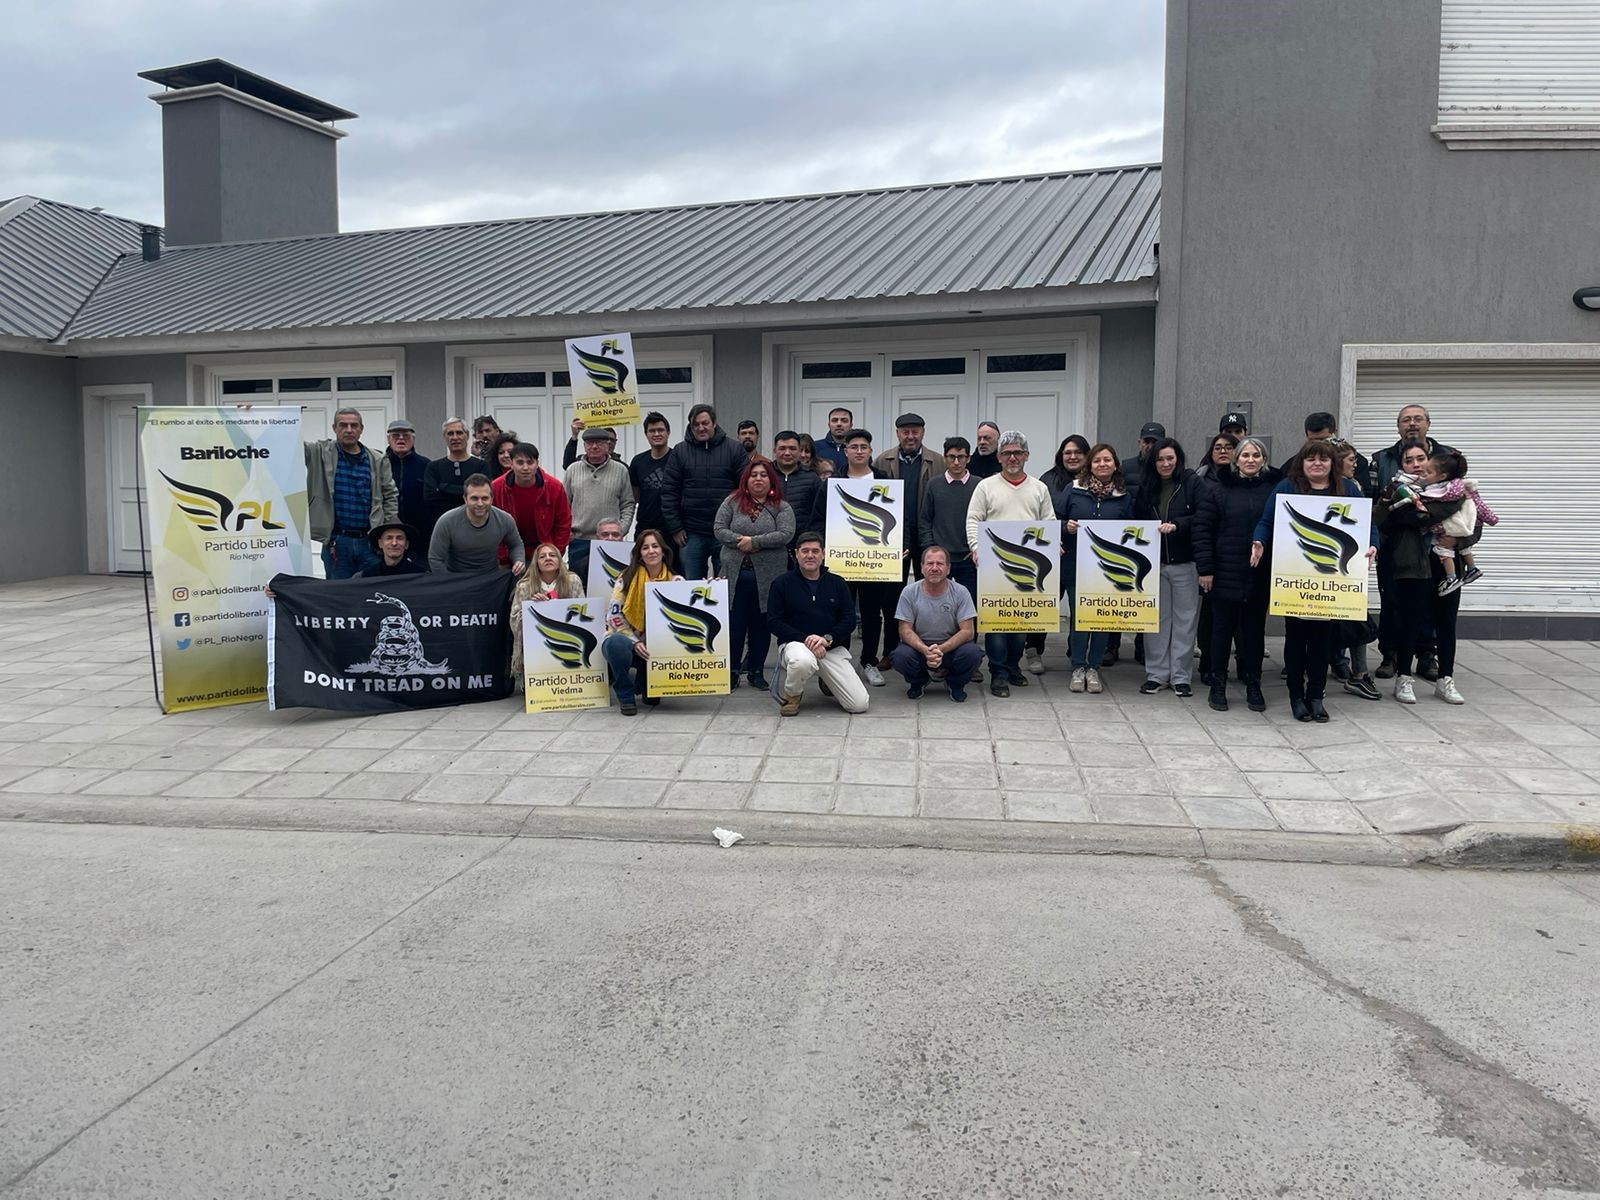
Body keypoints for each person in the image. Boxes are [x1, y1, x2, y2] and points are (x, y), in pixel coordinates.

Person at [1251, 440, 1376, 722]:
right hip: (1295, 579)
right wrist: (1259, 541)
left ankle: (1316, 696)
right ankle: (1296, 695)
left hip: (1331, 582)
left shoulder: (1348, 489)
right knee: (1295, 639)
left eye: (1323, 459)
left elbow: (1368, 526)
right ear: (1302, 462)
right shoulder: (1286, 488)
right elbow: (1267, 521)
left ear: (1332, 462)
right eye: (1310, 459)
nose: (1316, 464)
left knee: (1322, 641)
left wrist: (1372, 545)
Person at [1375, 444, 1471, 706]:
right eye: (1409, 460)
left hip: (1448, 565)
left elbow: (1472, 526)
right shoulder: (1397, 491)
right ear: (1402, 466)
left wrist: (1458, 541)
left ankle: (1446, 679)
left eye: (1421, 459)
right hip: (1413, 565)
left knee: (1446, 622)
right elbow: (1400, 520)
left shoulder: (1456, 490)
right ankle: (1403, 677)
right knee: (1411, 620)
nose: (1416, 464)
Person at [966, 430, 1057, 698]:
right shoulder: (986, 486)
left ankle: (1013, 665)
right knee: (996, 624)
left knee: (1022, 626)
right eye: (1007, 453)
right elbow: (973, 519)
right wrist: (975, 547)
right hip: (995, 565)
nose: (1012, 457)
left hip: (1029, 568)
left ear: (1026, 456)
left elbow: (1049, 521)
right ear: (999, 457)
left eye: (1018, 452)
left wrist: (1053, 545)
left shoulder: (1039, 488)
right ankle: (999, 673)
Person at [1373, 406, 1457, 681]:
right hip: (1396, 546)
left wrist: (1460, 537)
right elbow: (1377, 506)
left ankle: (1427, 655)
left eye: (1417, 419)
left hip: (1437, 548)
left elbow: (1465, 506)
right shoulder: (1382, 459)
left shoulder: (1449, 457)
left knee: (1433, 604)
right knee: (1393, 601)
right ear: (1397, 426)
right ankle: (1390, 655)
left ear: (1428, 424)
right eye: (1405, 420)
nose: (1412, 424)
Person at [1194, 436, 1277, 712]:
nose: (1250, 460)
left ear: (1264, 460)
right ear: (1236, 460)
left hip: (1259, 574)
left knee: (1254, 632)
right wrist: (1205, 569)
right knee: (1221, 630)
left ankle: (1253, 682)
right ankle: (1218, 683)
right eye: (1245, 455)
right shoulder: (1218, 490)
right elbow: (1202, 531)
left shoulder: (1273, 490)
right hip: (1224, 572)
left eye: (1256, 455)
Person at [766, 531, 868, 716]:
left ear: (823, 553)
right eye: (805, 551)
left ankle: (826, 679)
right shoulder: (781, 583)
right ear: (796, 554)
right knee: (802, 661)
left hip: (830, 647)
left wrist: (827, 639)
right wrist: (806, 640)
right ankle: (793, 695)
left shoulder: (838, 583)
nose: (810, 555)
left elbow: (849, 620)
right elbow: (774, 622)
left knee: (859, 705)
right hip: (795, 646)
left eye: (815, 551)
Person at [713, 459, 795, 690]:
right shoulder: (732, 501)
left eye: (763, 475)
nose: (758, 479)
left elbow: (787, 533)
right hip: (734, 574)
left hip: (768, 578)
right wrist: (742, 542)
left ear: (771, 479)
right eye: (753, 475)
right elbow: (719, 528)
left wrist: (756, 542)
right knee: (735, 625)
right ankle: (732, 671)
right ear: (746, 480)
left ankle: (756, 671)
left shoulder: (780, 506)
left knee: (761, 625)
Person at [1061, 443, 1136, 694]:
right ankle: (1078, 666)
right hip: (1077, 565)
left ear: (1115, 464)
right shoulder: (1073, 490)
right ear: (1089, 465)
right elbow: (1053, 520)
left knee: (1103, 618)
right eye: (1097, 461)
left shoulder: (1124, 495)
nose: (1102, 464)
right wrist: (1065, 527)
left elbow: (1133, 529)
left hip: (1110, 570)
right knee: (1080, 619)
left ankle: (1093, 667)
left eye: (1107, 460)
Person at [1135, 438, 1206, 697]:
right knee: (1156, 621)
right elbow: (1137, 518)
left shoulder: (1191, 482)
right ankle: (1156, 675)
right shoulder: (1147, 487)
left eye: (1170, 458)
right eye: (1160, 459)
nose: (1165, 464)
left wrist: (1178, 524)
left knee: (1185, 621)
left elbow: (1204, 514)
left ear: (1178, 459)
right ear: (1153, 462)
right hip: (1154, 564)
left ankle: (1180, 676)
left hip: (1185, 562)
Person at [304, 407, 399, 579]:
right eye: (343, 425)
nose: (349, 430)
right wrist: (254, 416)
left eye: (354, 425)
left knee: (373, 592)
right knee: (339, 596)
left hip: (369, 541)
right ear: (334, 428)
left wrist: (385, 530)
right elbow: (290, 444)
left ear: (361, 429)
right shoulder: (319, 452)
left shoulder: (377, 459)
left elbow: (390, 495)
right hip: (337, 541)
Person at [661, 403, 749, 579]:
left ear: (714, 424)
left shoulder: (734, 449)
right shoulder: (680, 451)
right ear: (691, 426)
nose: (701, 428)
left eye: (705, 423)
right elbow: (669, 491)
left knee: (725, 587)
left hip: (726, 532)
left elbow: (745, 489)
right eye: (696, 424)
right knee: (692, 587)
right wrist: (675, 527)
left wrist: (740, 525)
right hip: (691, 532)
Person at [1026, 435, 1091, 674]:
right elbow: (1039, 516)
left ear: (1086, 455)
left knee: (1079, 608)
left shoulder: (1094, 480)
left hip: (1085, 557)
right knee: (1043, 605)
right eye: (1067, 453)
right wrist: (1063, 528)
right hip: (1050, 554)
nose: (1072, 457)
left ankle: (1077, 653)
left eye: (1078, 453)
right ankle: (1033, 650)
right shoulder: (1048, 480)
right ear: (1060, 456)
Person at [838, 428, 899, 687]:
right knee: (841, 613)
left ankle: (869, 661)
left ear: (870, 451)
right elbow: (820, 518)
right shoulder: (834, 483)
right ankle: (838, 663)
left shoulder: (885, 481)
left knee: (873, 615)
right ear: (846, 451)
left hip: (876, 562)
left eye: (864, 447)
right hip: (843, 560)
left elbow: (900, 515)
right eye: (854, 447)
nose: (859, 451)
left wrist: (902, 543)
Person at [891, 545, 982, 702]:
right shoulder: (909, 592)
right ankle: (918, 682)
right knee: (900, 656)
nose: (934, 568)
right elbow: (904, 630)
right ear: (921, 567)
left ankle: (955, 683)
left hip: (951, 649)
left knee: (972, 653)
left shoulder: (961, 592)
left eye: (940, 564)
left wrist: (941, 649)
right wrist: (925, 650)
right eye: (929, 563)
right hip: (919, 648)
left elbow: (968, 631)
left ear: (948, 568)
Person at [600, 529, 677, 715]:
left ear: (663, 551)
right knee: (616, 644)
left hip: (655, 646)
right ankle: (625, 694)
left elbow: (693, 602)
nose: (651, 551)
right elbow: (614, 616)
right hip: (626, 640)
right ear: (639, 554)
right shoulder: (626, 578)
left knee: (652, 700)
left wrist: (712, 585)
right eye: (645, 547)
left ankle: (645, 682)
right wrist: (635, 642)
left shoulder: (675, 580)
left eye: (655, 546)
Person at [1414, 450, 1496, 595]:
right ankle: (1472, 568)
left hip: (1447, 529)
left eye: (1428, 472)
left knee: (1443, 548)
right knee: (1465, 547)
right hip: (1466, 526)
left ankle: (1451, 578)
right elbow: (1481, 507)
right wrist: (1491, 519)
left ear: (1442, 476)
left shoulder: (1435, 492)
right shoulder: (1466, 488)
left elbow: (1427, 515)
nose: (1424, 474)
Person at [874, 413, 942, 575]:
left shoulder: (939, 462)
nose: (911, 437)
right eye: (906, 432)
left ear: (923, 432)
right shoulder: (882, 461)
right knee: (892, 587)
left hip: (926, 535)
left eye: (915, 432)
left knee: (927, 581)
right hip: (892, 535)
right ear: (898, 433)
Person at [564, 427, 635, 581]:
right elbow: (564, 504)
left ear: (607, 445)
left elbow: (628, 504)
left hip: (610, 541)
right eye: (590, 443)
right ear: (584, 446)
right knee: (579, 585)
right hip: (580, 540)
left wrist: (621, 530)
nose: (594, 446)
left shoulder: (621, 470)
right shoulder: (572, 470)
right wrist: (567, 530)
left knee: (611, 586)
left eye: (599, 443)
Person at [509, 542, 584, 688]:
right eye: (542, 556)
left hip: (567, 639)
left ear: (559, 559)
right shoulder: (524, 586)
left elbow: (582, 613)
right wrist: (532, 608)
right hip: (537, 645)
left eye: (552, 555)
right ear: (536, 563)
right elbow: (514, 619)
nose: (548, 558)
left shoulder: (573, 581)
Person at [919, 436, 981, 601]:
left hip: (969, 559)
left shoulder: (979, 485)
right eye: (951, 457)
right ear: (945, 457)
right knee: (938, 603)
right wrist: (930, 549)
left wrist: (977, 549)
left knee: (970, 605)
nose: (956, 462)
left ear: (968, 458)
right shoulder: (934, 484)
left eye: (961, 457)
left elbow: (985, 520)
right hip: (940, 559)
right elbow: (925, 519)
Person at [491, 443, 571, 566]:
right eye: (520, 462)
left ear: (537, 463)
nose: (525, 467)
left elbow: (563, 524)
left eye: (530, 462)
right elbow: (493, 526)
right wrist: (503, 557)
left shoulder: (554, 487)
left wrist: (555, 554)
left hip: (545, 552)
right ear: (511, 464)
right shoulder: (496, 488)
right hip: (508, 555)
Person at [429, 475, 525, 575]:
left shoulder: (505, 519)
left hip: (491, 577)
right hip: (457, 577)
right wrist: (450, 583)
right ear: (465, 499)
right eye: (474, 498)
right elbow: (435, 559)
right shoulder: (447, 521)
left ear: (492, 499)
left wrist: (518, 561)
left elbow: (516, 544)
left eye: (485, 498)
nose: (480, 503)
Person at [423, 418, 488, 530]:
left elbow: (483, 495)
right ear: (445, 437)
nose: (455, 437)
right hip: (443, 527)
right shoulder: (433, 467)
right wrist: (466, 492)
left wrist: (444, 487)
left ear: (467, 436)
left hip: (474, 527)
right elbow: (430, 499)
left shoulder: (481, 466)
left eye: (459, 433)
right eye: (450, 433)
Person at [383, 420, 432, 557]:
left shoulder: (426, 465)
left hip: (420, 538)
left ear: (413, 439)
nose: (400, 439)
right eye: (395, 436)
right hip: (388, 537)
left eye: (405, 435)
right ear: (388, 439)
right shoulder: (381, 465)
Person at [770, 431, 823, 543]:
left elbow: (819, 514)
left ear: (799, 451)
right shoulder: (765, 475)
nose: (787, 453)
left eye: (792, 448)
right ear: (775, 450)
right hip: (770, 541)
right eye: (782, 448)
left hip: (802, 542)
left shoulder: (812, 478)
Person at [630, 412, 674, 536]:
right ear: (646, 434)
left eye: (661, 430)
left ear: (668, 433)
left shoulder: (678, 459)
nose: (656, 434)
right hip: (645, 527)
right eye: (652, 431)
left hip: (672, 529)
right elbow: (635, 494)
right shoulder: (637, 462)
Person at [358, 521, 427, 578]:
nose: (394, 543)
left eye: (399, 538)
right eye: (389, 538)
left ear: (406, 544)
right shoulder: (365, 577)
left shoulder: (422, 576)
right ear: (380, 543)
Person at [1124, 422, 1165, 494]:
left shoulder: (1168, 468)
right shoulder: (1126, 468)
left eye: (1155, 442)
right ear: (1139, 442)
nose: (1150, 446)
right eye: (1147, 441)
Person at [814, 407, 852, 473]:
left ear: (851, 425)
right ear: (829, 425)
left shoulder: (858, 450)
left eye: (844, 420)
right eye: (835, 420)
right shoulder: (815, 447)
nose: (839, 424)